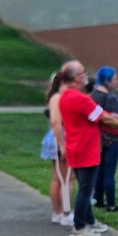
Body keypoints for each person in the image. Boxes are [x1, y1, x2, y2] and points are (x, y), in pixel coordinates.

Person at [59, 60, 118, 236]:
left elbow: (97, 115)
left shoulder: (65, 96)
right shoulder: (81, 99)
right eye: (83, 72)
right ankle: (79, 227)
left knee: (85, 188)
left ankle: (90, 221)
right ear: (76, 78)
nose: (86, 75)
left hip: (75, 147)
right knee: (85, 190)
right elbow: (104, 119)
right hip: (86, 149)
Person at [91, 67, 118, 212]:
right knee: (109, 172)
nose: (117, 82)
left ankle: (98, 199)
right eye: (115, 79)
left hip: (97, 138)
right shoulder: (111, 98)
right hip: (111, 138)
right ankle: (111, 204)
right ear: (107, 81)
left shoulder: (93, 96)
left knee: (99, 170)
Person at [42, 70, 74, 226]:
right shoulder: (59, 98)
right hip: (61, 138)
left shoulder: (52, 97)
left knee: (57, 178)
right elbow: (56, 123)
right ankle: (66, 214)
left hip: (54, 138)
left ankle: (57, 212)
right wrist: (63, 144)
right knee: (68, 179)